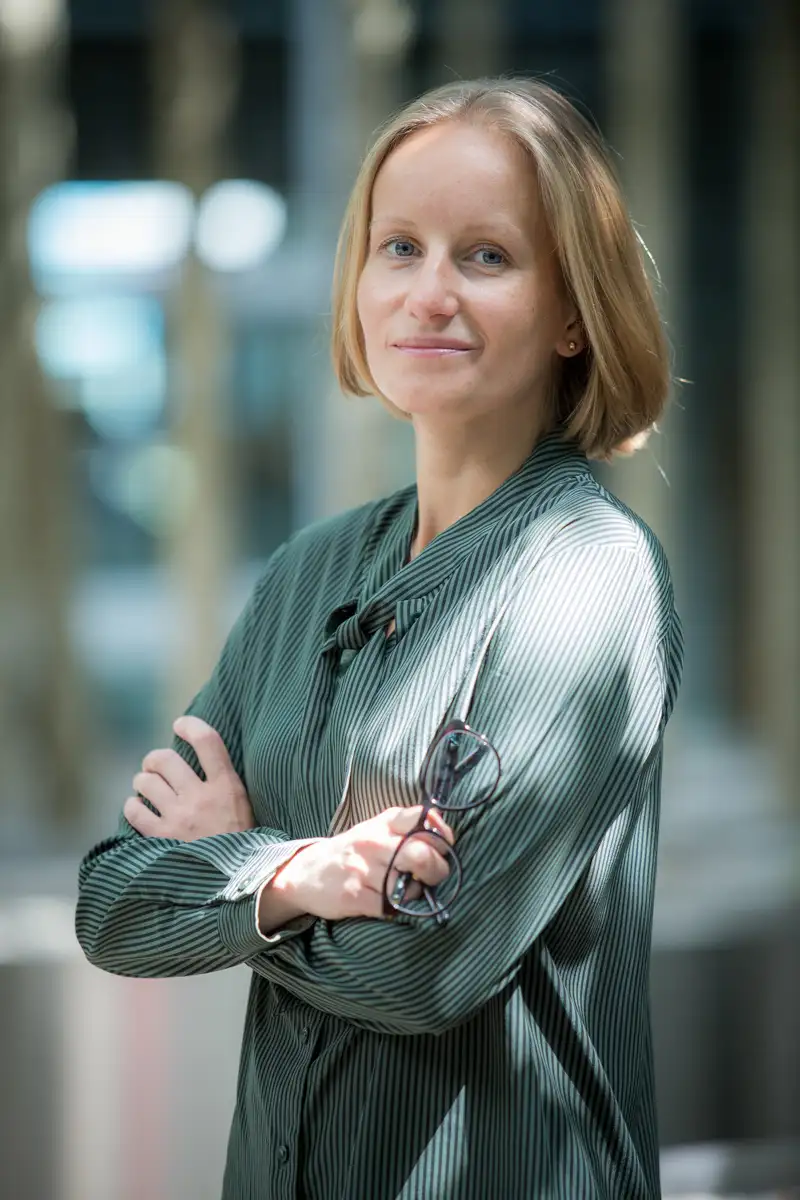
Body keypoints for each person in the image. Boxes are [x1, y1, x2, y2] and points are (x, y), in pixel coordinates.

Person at [75, 77, 683, 1200]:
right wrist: (302, 872)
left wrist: (234, 876)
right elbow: (114, 903)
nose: (428, 293)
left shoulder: (588, 580)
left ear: (569, 311)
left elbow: (423, 964)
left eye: (486, 256)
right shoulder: (308, 573)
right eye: (398, 247)